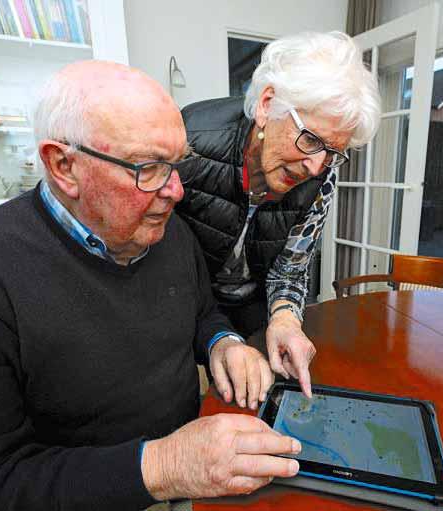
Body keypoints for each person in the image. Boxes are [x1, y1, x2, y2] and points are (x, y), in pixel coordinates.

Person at [0, 61, 302, 511]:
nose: (176, 190)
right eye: (149, 167)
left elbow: (202, 311)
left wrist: (222, 342)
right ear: (64, 166)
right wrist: (163, 466)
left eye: (178, 163)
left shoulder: (168, 230)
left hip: (194, 473)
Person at [177, 31, 381, 397]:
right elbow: (163, 264)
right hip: (187, 297)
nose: (316, 166)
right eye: (311, 139)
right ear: (267, 105)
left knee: (266, 391)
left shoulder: (321, 175)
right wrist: (217, 338)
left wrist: (285, 319)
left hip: (253, 299)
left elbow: (290, 268)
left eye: (333, 152)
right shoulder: (189, 142)